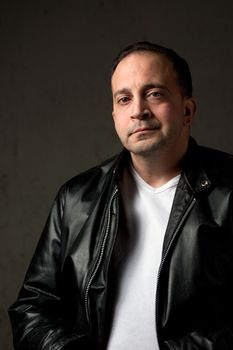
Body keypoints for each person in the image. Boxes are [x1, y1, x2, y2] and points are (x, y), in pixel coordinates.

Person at [9, 41, 233, 350]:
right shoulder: (76, 199)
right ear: (115, 115)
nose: (138, 110)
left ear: (187, 109)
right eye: (124, 99)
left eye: (154, 94)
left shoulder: (229, 190)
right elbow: (32, 309)